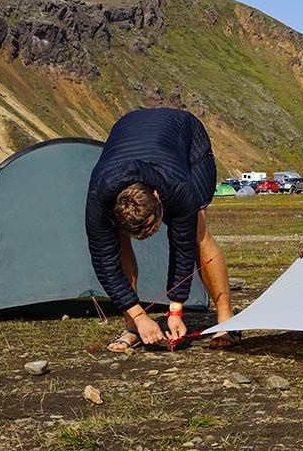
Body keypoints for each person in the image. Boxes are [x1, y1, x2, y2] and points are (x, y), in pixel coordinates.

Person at [84, 108, 238, 352]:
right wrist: (139, 315)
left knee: (197, 232)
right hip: (129, 128)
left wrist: (175, 309)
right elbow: (105, 263)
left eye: (152, 226)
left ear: (157, 197)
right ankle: (132, 326)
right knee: (118, 240)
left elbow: (182, 247)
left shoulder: (178, 188)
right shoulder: (99, 198)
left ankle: (227, 319)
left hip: (186, 137)